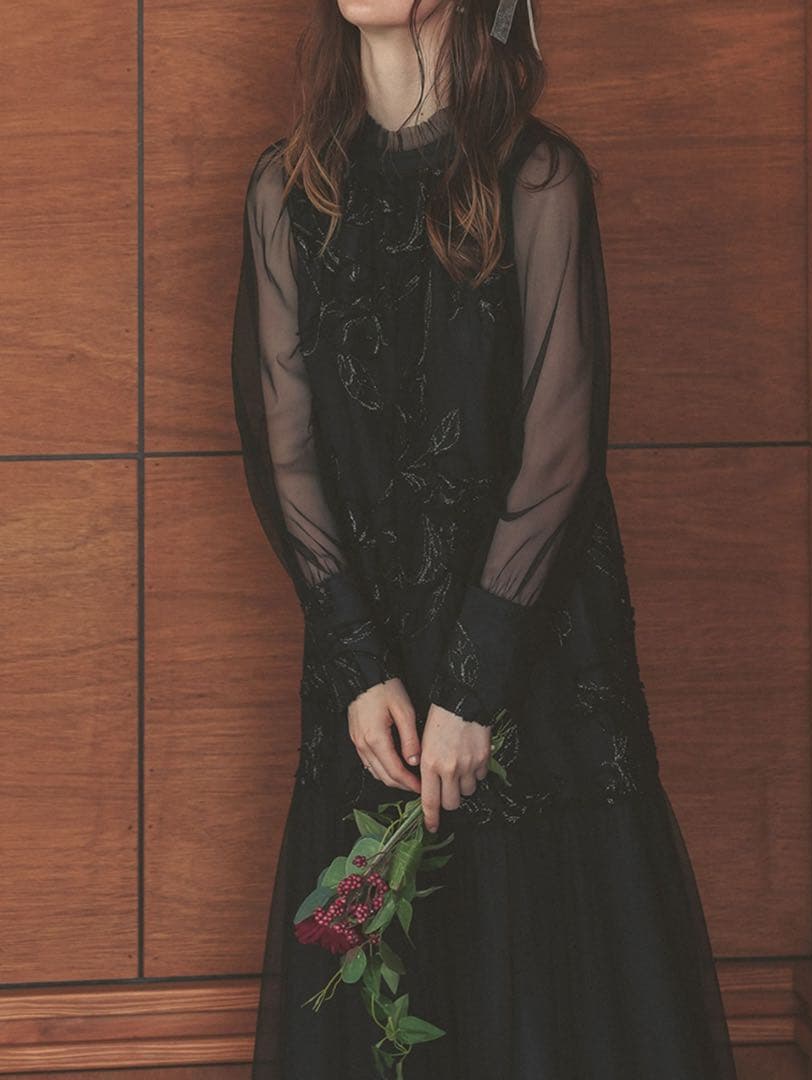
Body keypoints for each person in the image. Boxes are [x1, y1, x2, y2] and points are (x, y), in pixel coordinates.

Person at [231, 0, 739, 1076]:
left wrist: (473, 685)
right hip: (373, 682)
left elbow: (560, 452)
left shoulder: (538, 177)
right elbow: (286, 456)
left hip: (532, 659)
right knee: (382, 992)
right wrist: (358, 664)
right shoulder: (286, 190)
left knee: (546, 988)